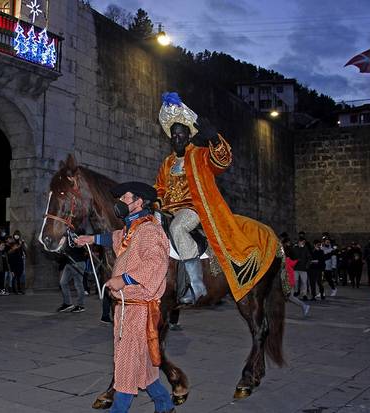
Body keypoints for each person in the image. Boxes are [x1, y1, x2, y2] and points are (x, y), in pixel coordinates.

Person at [153, 92, 278, 305]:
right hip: (167, 209)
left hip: (193, 209)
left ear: (189, 136)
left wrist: (213, 138)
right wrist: (156, 203)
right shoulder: (167, 163)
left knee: (178, 228)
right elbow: (160, 187)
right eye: (173, 135)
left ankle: (196, 284)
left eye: (180, 134)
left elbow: (222, 161)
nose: (176, 139)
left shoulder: (200, 155)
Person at [76, 181, 174, 413]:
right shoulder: (134, 228)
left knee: (127, 363)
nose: (119, 203)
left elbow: (156, 264)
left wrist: (125, 279)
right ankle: (164, 404)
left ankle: (118, 409)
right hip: (124, 307)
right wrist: (91, 239)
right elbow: (116, 237)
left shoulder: (150, 230)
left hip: (139, 308)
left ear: (139, 202)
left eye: (125, 198)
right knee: (143, 364)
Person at [56, 246, 87, 313]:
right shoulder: (66, 238)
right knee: (63, 282)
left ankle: (80, 305)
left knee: (78, 284)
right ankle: (68, 303)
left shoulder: (77, 236)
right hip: (69, 263)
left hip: (78, 262)